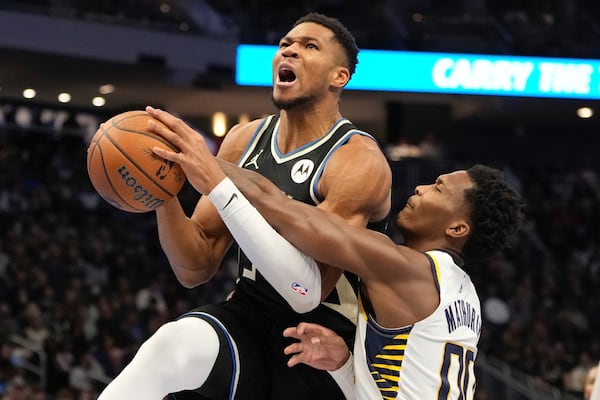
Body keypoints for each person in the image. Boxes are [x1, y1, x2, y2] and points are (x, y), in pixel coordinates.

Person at [97, 12, 392, 400]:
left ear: (340, 76)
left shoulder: (357, 159)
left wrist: (219, 183)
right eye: (286, 43)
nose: (290, 51)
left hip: (325, 344)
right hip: (249, 317)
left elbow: (307, 289)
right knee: (170, 347)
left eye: (309, 46)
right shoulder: (243, 140)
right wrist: (162, 191)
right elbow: (195, 266)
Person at [148, 118, 524, 400]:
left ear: (458, 229)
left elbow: (301, 220)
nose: (423, 188)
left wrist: (209, 166)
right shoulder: (464, 295)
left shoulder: (411, 271)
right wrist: (346, 364)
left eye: (439, 189)